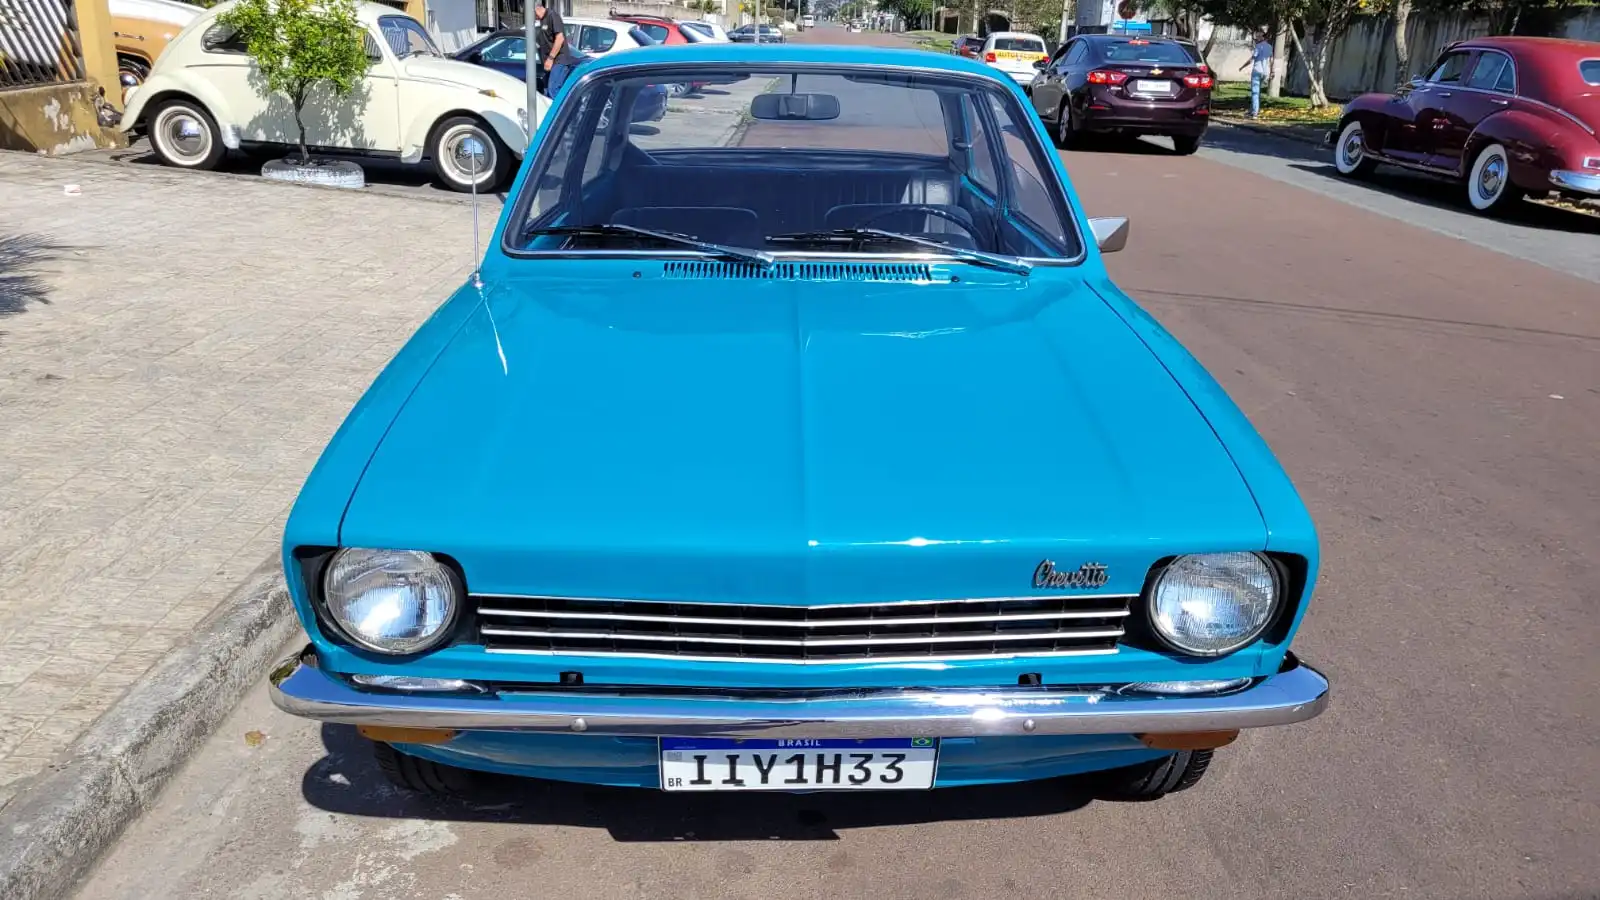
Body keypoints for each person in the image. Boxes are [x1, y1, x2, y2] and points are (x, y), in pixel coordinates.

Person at [533, 2, 577, 97]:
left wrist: (550, 58)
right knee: (546, 91)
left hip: (559, 60)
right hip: (550, 63)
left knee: (553, 90)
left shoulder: (552, 16)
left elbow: (560, 38)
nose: (533, 17)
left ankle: (562, 111)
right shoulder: (542, 20)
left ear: (536, 9)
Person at [1239, 30, 1273, 119]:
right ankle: (1252, 110)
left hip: (1257, 71)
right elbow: (1271, 60)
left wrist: (1242, 67)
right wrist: (1272, 71)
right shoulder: (1270, 47)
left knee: (1255, 93)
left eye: (1258, 37)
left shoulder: (1258, 46)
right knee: (1257, 92)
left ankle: (1254, 113)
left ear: (1262, 37)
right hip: (1265, 72)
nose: (1257, 39)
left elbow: (1252, 59)